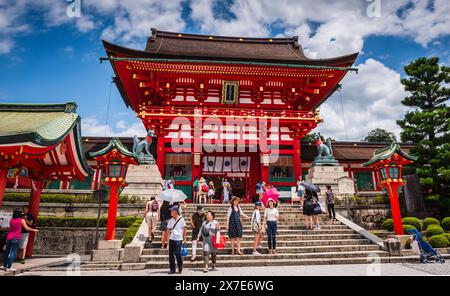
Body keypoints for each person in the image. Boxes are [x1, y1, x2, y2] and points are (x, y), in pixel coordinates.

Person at [167, 205, 187, 274]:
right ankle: (172, 269)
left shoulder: (181, 219)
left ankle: (180, 267)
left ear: (175, 211)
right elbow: (168, 231)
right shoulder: (170, 220)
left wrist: (185, 239)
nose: (170, 212)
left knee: (178, 254)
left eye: (172, 211)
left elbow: (184, 230)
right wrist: (167, 242)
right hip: (171, 239)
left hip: (179, 239)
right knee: (170, 255)